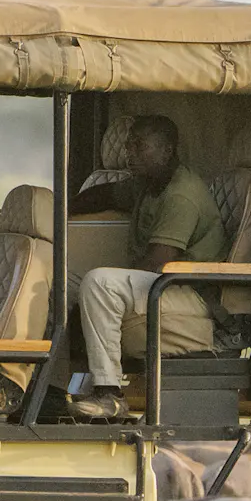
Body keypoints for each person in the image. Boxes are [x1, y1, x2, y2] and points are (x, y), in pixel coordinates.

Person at [66, 115, 229, 421]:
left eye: (139, 145)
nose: (129, 151)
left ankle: (109, 393)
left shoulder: (181, 194)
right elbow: (104, 194)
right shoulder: (148, 184)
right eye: (128, 144)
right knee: (64, 282)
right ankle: (51, 385)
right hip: (162, 284)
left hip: (187, 292)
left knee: (99, 283)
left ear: (166, 150)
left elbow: (158, 263)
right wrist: (62, 207)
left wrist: (106, 293)